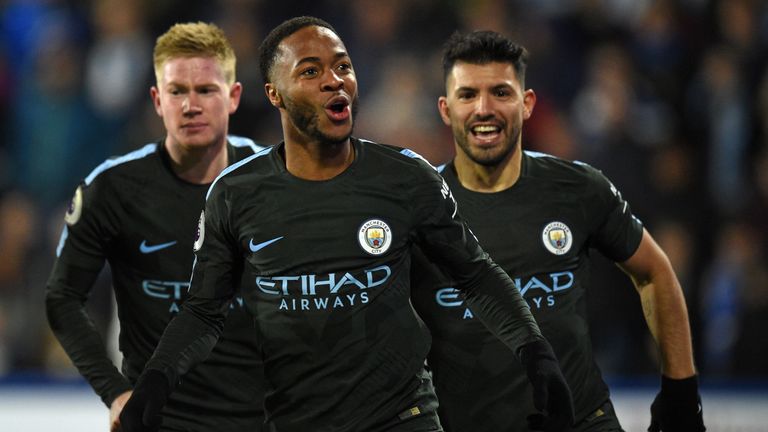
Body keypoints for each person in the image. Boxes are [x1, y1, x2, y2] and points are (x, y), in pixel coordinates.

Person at [119, 16, 575, 432]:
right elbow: (203, 311)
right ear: (274, 93)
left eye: (343, 67)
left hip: (403, 416)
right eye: (310, 72)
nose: (334, 81)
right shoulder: (236, 194)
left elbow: (474, 275)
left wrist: (536, 354)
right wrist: (156, 380)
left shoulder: (404, 177)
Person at [409, 30, 705, 432]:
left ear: (527, 103)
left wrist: (681, 391)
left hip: (582, 421)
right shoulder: (417, 209)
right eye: (467, 95)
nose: (484, 108)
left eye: (500, 92)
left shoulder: (579, 188)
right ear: (445, 109)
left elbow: (654, 271)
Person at [45, 22, 267, 432]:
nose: (190, 105)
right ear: (157, 100)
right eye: (177, 91)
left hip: (266, 419)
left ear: (234, 97)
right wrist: (114, 391)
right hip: (161, 421)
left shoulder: (275, 183)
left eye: (206, 90)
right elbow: (62, 297)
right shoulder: (111, 190)